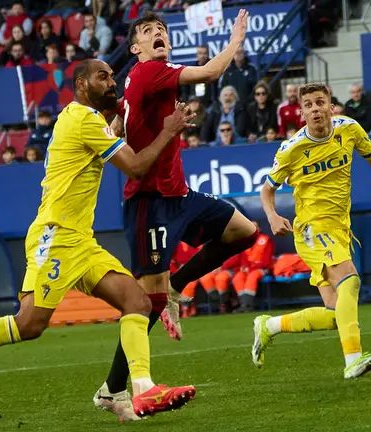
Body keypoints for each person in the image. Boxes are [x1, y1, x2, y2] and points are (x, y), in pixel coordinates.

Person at [0, 59, 197, 419]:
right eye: (103, 77)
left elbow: (107, 134)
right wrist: (169, 129)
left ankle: (137, 389)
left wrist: (120, 119)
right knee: (30, 323)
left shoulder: (82, 119)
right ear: (81, 85)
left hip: (80, 239)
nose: (112, 82)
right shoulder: (82, 119)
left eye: (113, 76)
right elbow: (137, 166)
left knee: (137, 302)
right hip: (57, 235)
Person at [97, 10, 259, 420]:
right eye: (149, 31)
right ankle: (115, 389)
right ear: (135, 47)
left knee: (244, 231)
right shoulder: (150, 72)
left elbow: (118, 124)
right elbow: (209, 72)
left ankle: (177, 287)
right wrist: (237, 38)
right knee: (143, 304)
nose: (159, 35)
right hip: (149, 201)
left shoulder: (137, 79)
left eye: (163, 31)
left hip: (179, 194)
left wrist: (126, 123)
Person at [253, 83, 371, 379]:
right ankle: (353, 361)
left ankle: (269, 326)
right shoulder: (291, 148)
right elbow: (267, 190)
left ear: (331, 106)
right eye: (309, 105)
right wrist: (272, 215)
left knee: (335, 314)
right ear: (301, 112)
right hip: (311, 227)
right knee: (351, 281)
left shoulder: (350, 129)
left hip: (340, 228)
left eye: (320, 102)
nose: (315, 109)